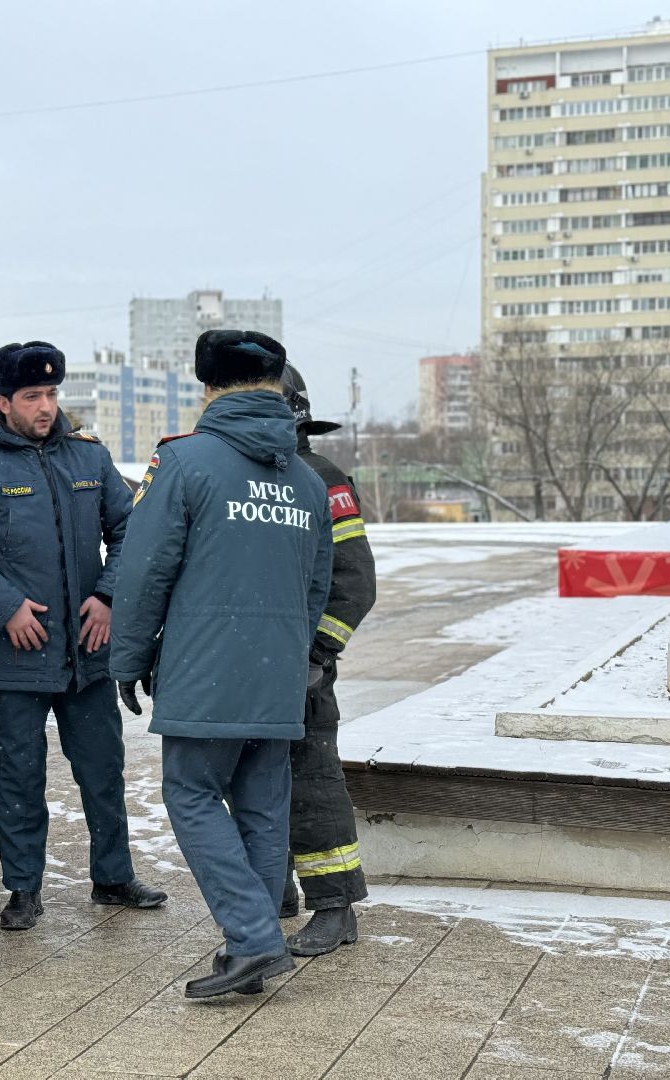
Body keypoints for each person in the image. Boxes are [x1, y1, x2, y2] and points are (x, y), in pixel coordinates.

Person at [111, 330, 332, 998]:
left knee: (193, 793)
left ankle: (256, 940)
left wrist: (128, 656)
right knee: (262, 807)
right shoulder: (306, 479)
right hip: (277, 673)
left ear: (207, 388)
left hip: (205, 670)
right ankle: (251, 947)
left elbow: (145, 570)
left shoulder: (185, 462)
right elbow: (316, 585)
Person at [0, 341, 167, 930]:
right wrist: (6, 607)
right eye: (32, 396)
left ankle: (112, 877)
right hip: (18, 655)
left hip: (86, 654)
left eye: (52, 394)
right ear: (2, 401)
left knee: (102, 771)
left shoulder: (88, 458)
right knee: (21, 775)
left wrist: (108, 595)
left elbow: (132, 527)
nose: (45, 407)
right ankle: (23, 891)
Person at [277, 363, 377, 956]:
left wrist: (318, 652)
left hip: (304, 668)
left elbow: (355, 580)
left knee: (312, 780)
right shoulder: (243, 475)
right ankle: (275, 889)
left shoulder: (323, 478)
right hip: (254, 666)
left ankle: (335, 906)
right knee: (256, 781)